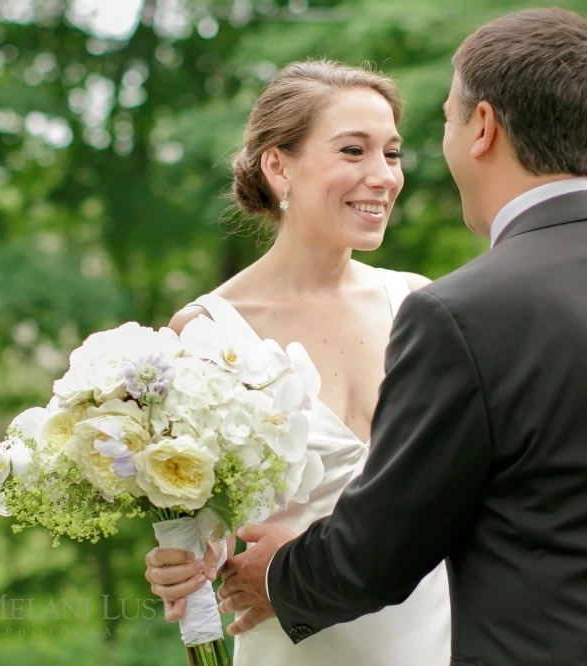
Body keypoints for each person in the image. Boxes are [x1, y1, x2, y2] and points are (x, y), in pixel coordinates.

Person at [217, 8, 587, 666]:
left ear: (482, 127)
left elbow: (379, 551)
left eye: (445, 119)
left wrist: (278, 576)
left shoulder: (460, 313)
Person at [142, 60, 452, 665]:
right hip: (293, 642)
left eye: (391, 153)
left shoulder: (419, 303)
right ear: (278, 164)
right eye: (353, 150)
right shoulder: (205, 333)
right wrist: (183, 563)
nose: (382, 176)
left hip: (437, 633)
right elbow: (200, 522)